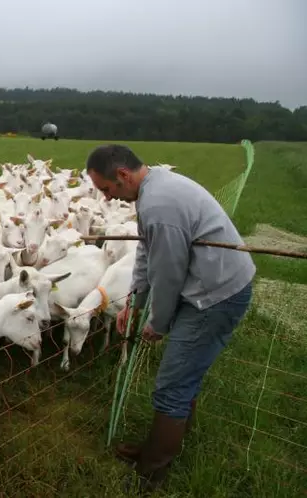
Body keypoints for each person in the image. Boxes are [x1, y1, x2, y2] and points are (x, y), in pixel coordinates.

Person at [85, 144, 256, 492]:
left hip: (214, 296)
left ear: (122, 175)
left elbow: (169, 273)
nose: (107, 199)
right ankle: (162, 446)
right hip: (213, 284)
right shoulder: (155, 188)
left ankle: (152, 472)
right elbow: (148, 250)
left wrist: (157, 324)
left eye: (106, 190)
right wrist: (135, 300)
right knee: (183, 373)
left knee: (171, 384)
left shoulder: (159, 204)